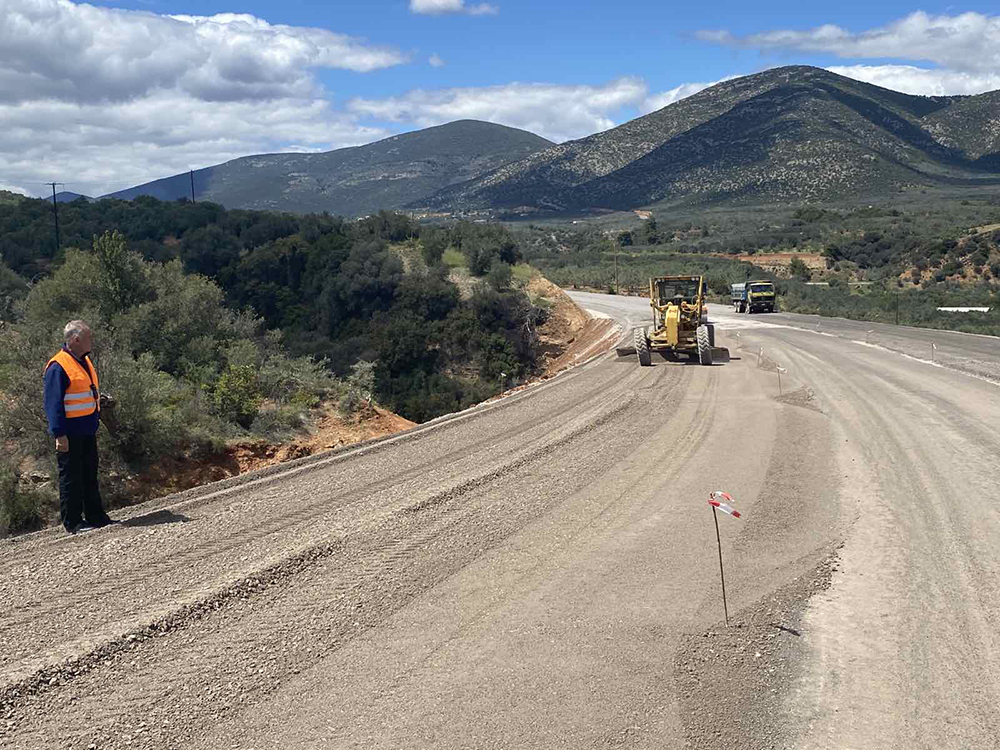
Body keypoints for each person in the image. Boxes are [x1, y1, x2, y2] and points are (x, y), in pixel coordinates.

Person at [43, 320, 116, 534]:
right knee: (71, 478)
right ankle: (73, 522)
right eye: (88, 337)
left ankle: (96, 516)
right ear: (76, 340)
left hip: (86, 430)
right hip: (70, 433)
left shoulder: (83, 361)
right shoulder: (58, 366)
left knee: (89, 475)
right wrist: (59, 435)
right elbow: (53, 404)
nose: (91, 340)